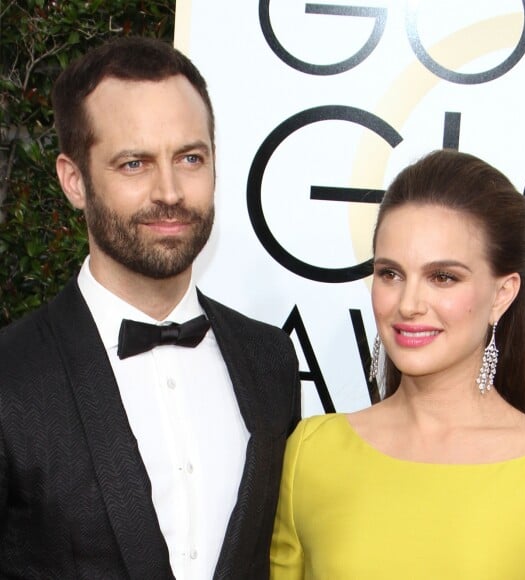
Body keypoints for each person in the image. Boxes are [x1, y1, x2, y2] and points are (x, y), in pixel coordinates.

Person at [0, 37, 300, 580]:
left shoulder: (270, 359)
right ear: (74, 181)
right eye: (134, 163)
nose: (170, 191)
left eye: (190, 158)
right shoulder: (11, 376)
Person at [270, 149, 525, 579]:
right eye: (390, 274)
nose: (408, 304)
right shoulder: (312, 453)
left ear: (503, 294)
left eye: (443, 277)